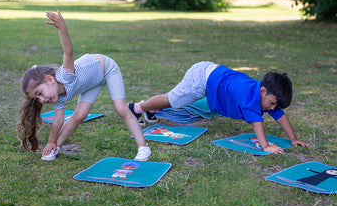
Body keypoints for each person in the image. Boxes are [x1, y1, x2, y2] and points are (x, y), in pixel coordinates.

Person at [18, 10, 151, 161]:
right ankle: (57, 147)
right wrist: (52, 141)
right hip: (91, 82)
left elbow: (68, 52)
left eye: (40, 93)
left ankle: (143, 148)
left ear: (50, 79)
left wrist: (62, 29)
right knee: (79, 115)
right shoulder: (58, 97)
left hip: (107, 68)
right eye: (37, 98)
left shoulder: (64, 75)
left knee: (121, 109)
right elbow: (58, 121)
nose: (41, 100)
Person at [129, 61, 310, 154]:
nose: (272, 108)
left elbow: (281, 116)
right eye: (272, 103)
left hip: (211, 75)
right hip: (201, 78)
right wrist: (265, 146)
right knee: (172, 100)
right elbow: (257, 123)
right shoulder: (248, 96)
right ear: (262, 91)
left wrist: (293, 139)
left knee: (178, 104)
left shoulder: (265, 97)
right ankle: (136, 108)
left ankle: (150, 110)